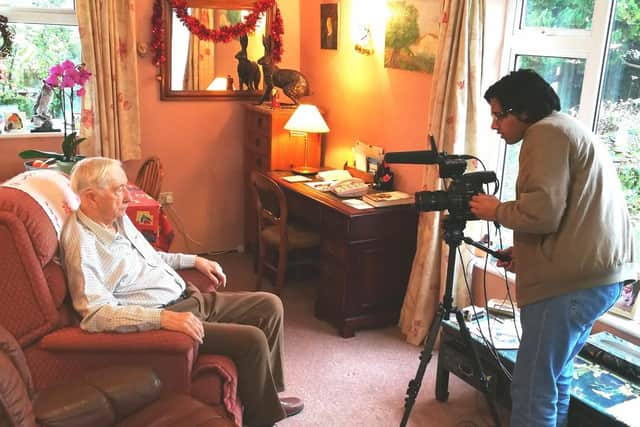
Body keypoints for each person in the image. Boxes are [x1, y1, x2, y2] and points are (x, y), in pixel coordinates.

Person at [60, 157, 303, 427]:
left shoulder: (115, 219)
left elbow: (152, 256)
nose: (128, 197)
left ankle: (269, 396)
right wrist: (164, 320)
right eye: (119, 190)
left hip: (188, 296)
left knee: (270, 306)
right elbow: (95, 314)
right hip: (167, 316)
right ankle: (262, 418)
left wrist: (194, 260)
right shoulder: (81, 243)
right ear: (91, 198)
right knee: (252, 339)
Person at [469, 69, 636, 427]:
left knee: (532, 389)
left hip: (570, 285)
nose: (495, 126)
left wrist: (494, 210)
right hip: (598, 277)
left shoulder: (544, 134)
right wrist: (525, 252)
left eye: (499, 115)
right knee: (556, 376)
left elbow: (542, 212)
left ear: (524, 112)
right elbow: (570, 211)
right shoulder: (565, 128)